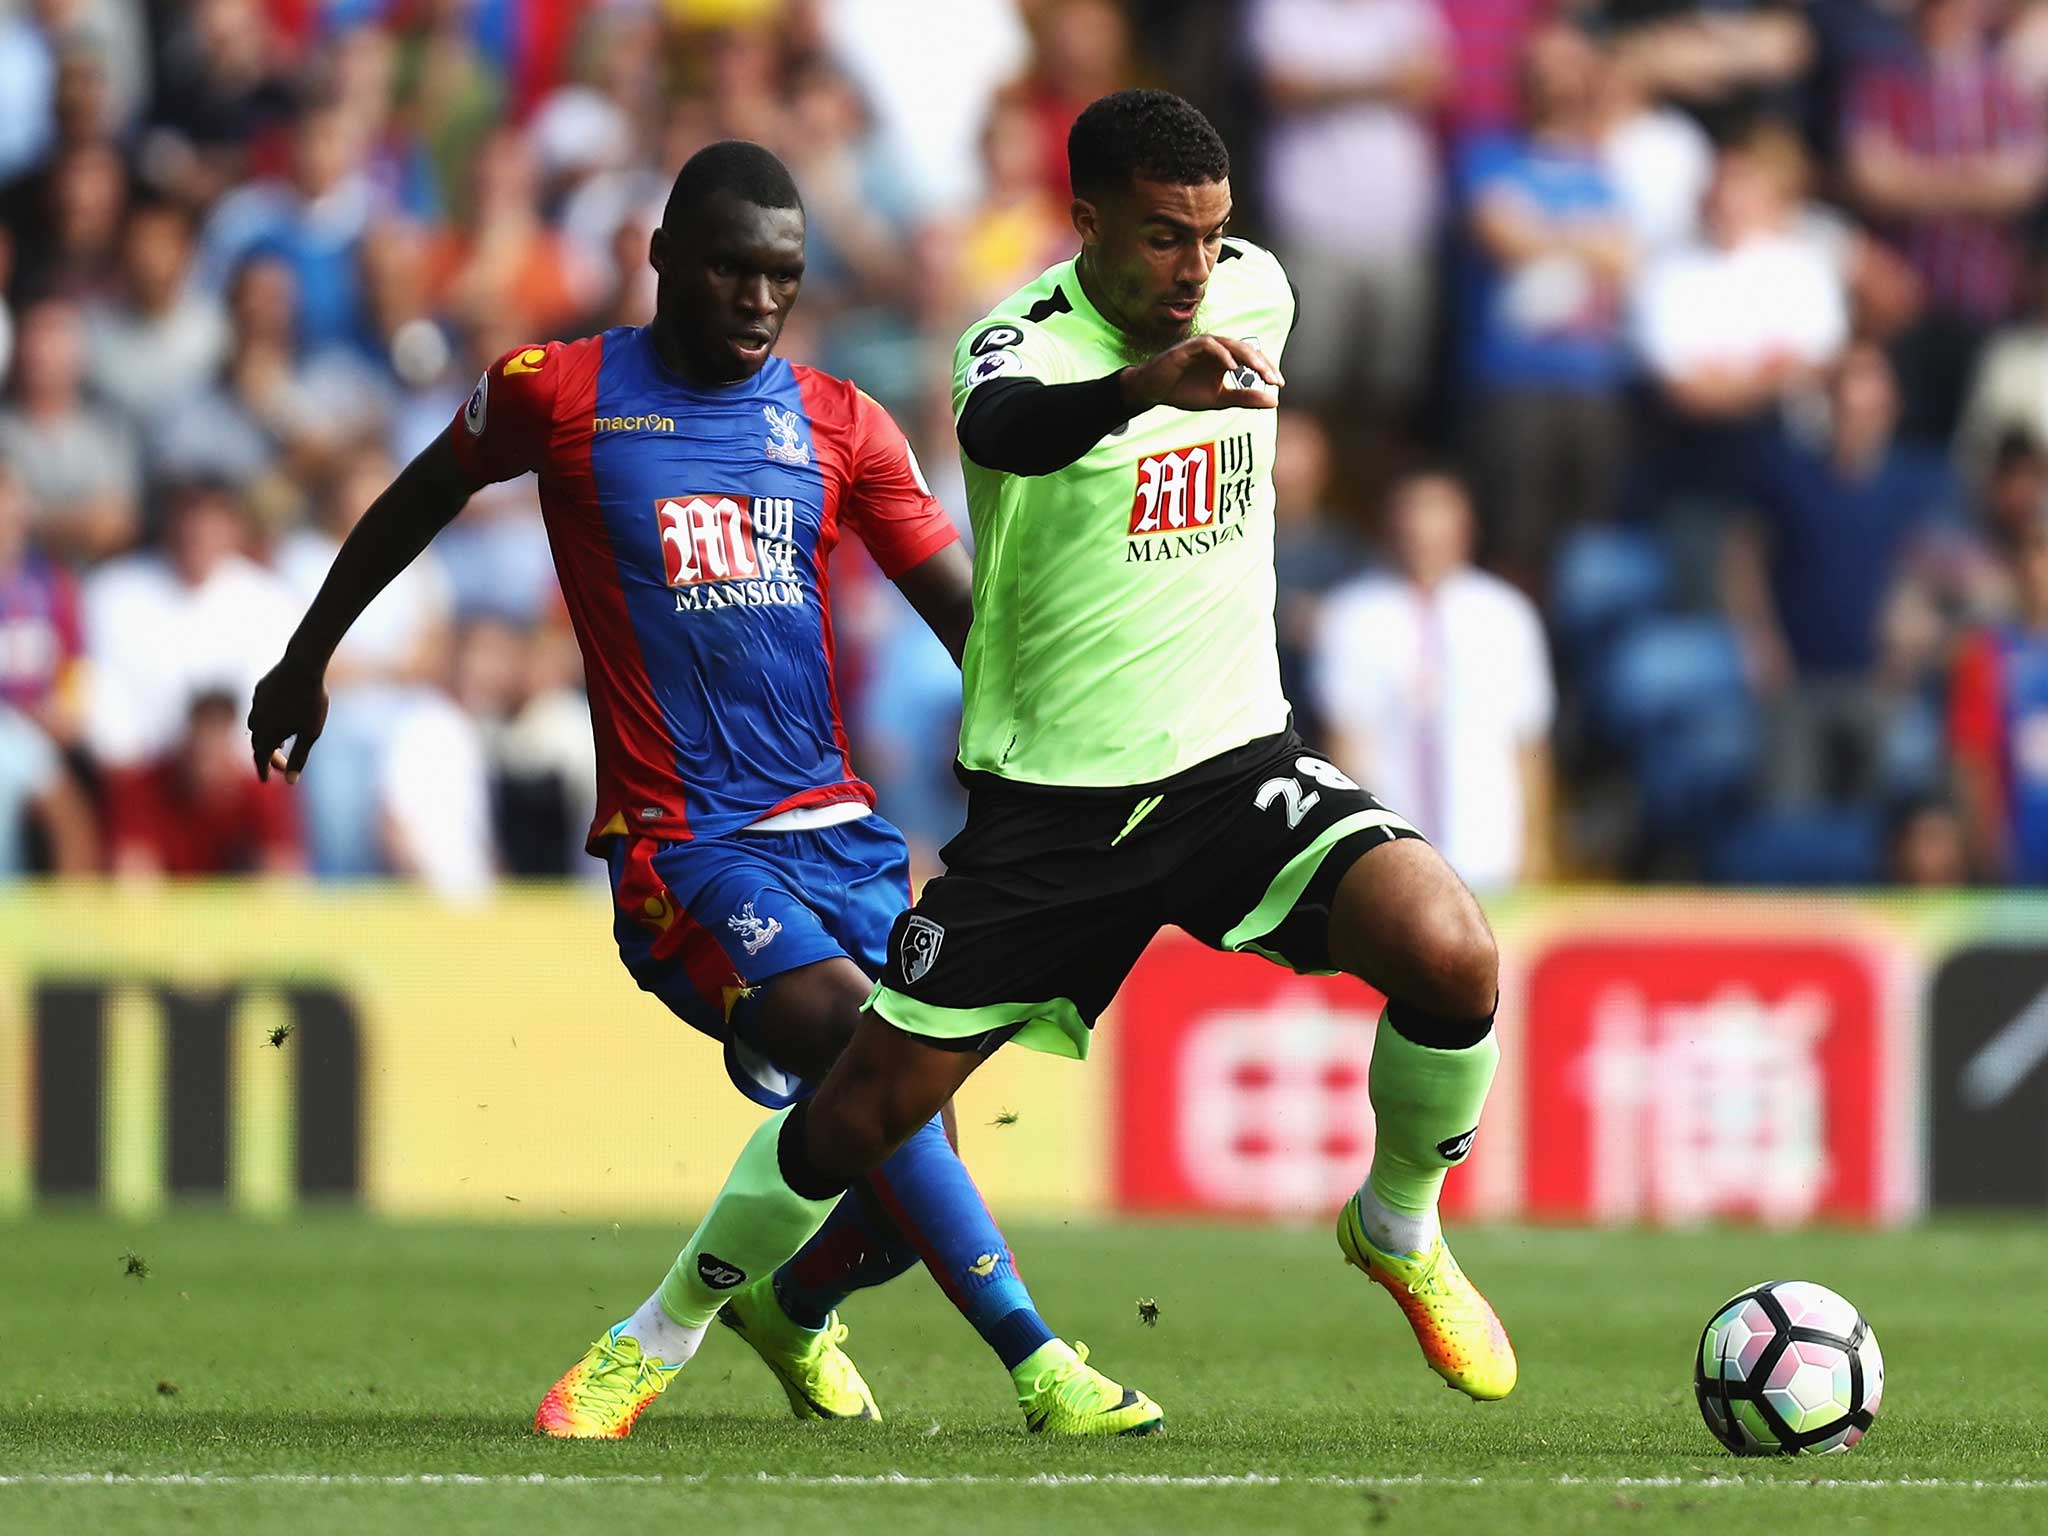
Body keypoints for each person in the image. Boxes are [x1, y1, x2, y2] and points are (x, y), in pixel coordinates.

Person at [247, 141, 1148, 1439]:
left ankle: (786, 1309)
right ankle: (1035, 1366)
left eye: (782, 276)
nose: (757, 298)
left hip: (842, 840)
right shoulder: (557, 393)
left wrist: (1091, 740)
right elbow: (416, 501)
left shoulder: (841, 423)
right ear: (661, 260)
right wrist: (305, 656)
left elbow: (971, 625)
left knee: (902, 1138)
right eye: (730, 268)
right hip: (686, 849)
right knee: (857, 1056)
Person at [645, 91, 1516, 1414]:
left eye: (1214, 241)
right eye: (1166, 239)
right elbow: (1004, 436)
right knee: (865, 1113)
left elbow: (1233, 311)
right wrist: (1136, 391)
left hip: (1233, 769)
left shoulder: (1258, 297)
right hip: (1054, 808)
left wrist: (1194, 336)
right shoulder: (1015, 348)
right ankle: (681, 1326)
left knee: (1451, 947)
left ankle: (1396, 1225)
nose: (1196, 273)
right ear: (1088, 221)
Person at [1312, 471, 1555, 891]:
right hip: (1393, 857)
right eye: (1414, 530)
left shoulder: (1505, 615)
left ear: (1466, 532)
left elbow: (1529, 742)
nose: (1425, 544)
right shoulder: (1353, 616)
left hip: (1490, 853)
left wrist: (1535, 849)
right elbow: (1345, 743)